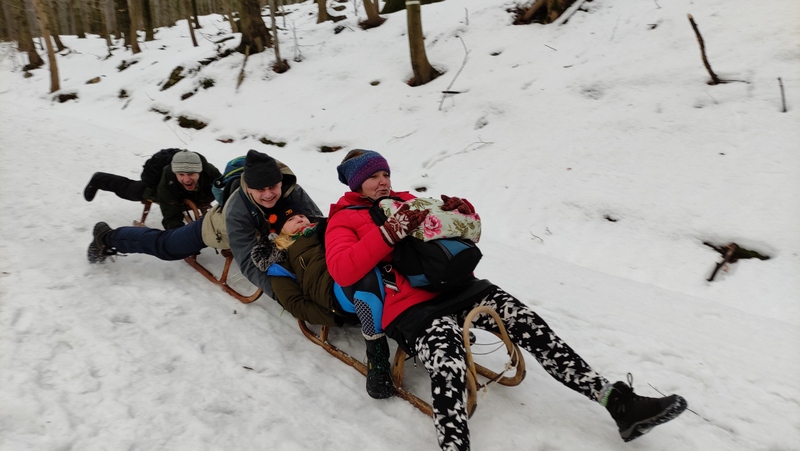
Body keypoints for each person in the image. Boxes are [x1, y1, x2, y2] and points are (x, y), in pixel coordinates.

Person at [324, 149, 688, 451]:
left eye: (386, 173)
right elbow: (343, 270)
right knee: (449, 362)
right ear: (356, 183)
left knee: (532, 326)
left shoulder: (408, 201)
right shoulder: (344, 220)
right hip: (409, 306)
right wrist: (389, 233)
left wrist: (461, 214)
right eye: (373, 177)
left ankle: (618, 403)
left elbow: (455, 238)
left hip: (458, 287)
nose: (383, 181)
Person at [87, 150, 323, 303]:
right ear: (248, 187)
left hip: (268, 236)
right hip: (216, 229)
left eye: (273, 187)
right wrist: (283, 296)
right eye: (260, 189)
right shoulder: (238, 207)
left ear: (280, 181)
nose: (269, 194)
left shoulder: (293, 190)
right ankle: (107, 237)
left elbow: (318, 225)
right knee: (166, 246)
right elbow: (249, 263)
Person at [250, 207, 394, 398]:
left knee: (369, 267)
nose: (300, 219)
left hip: (366, 271)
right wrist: (332, 316)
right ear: (280, 232)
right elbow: (293, 302)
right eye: (291, 219)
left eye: (302, 215)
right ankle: (378, 358)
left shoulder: (328, 228)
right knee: (364, 276)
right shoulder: (280, 257)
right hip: (333, 289)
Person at [83, 149, 222, 229]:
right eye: (181, 174)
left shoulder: (211, 172)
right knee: (129, 190)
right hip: (158, 188)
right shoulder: (168, 179)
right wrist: (182, 238)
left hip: (196, 194)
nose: (186, 179)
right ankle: (99, 179)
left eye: (191, 174)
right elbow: (171, 214)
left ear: (200, 171)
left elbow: (225, 191)